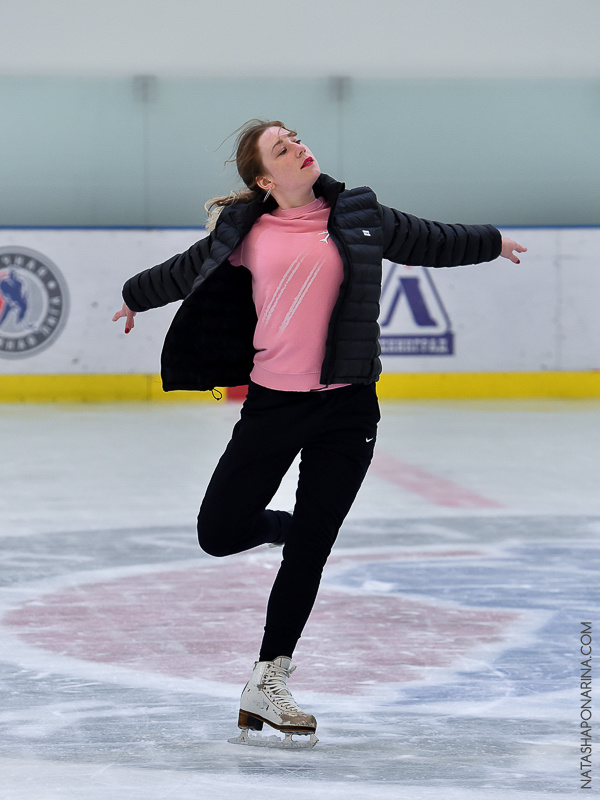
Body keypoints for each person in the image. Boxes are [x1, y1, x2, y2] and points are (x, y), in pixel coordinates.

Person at [113, 119, 526, 748]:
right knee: (218, 533)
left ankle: (268, 678)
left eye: (296, 139)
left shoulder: (359, 214)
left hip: (348, 408)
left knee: (312, 551)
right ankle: (286, 528)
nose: (299, 148)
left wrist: (491, 241)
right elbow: (186, 269)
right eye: (282, 149)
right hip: (275, 405)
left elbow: (429, 239)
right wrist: (134, 297)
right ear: (263, 179)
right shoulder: (245, 231)